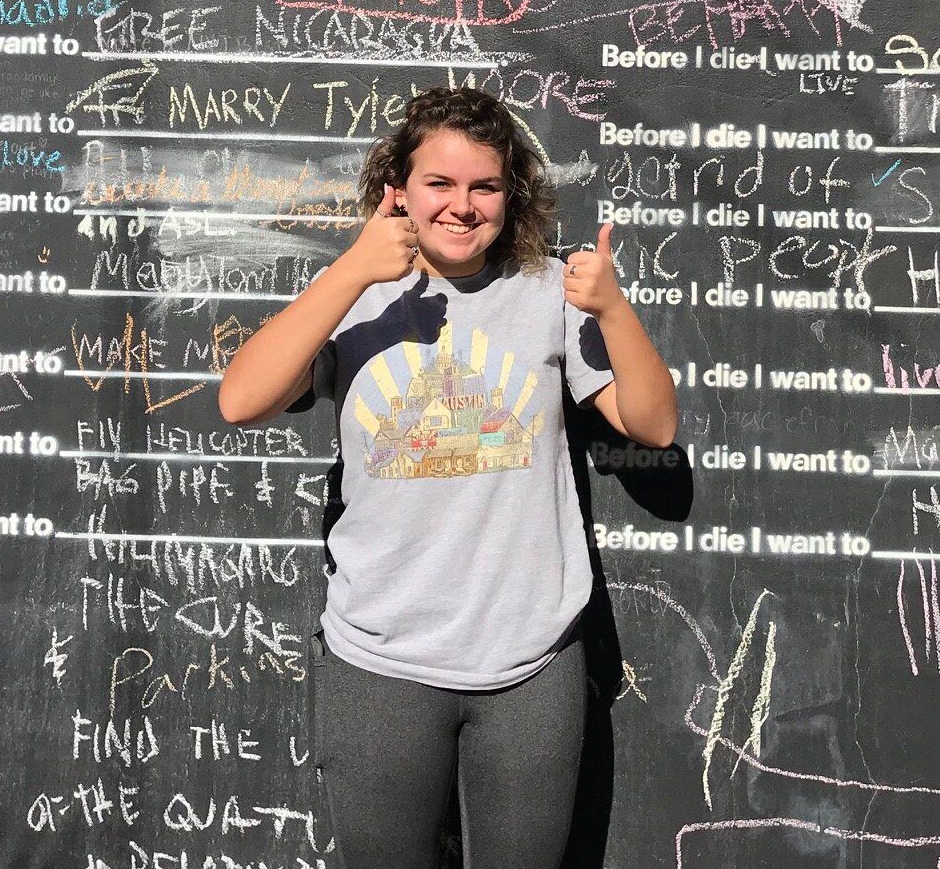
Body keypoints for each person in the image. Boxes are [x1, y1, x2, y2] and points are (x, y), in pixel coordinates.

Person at [217, 85, 677, 868]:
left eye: (484, 186)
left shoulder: (545, 292)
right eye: (440, 184)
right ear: (399, 190)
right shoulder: (356, 299)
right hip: (381, 661)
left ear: (511, 194)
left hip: (530, 662)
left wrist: (613, 309)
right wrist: (354, 270)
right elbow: (240, 401)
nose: (462, 206)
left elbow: (655, 427)